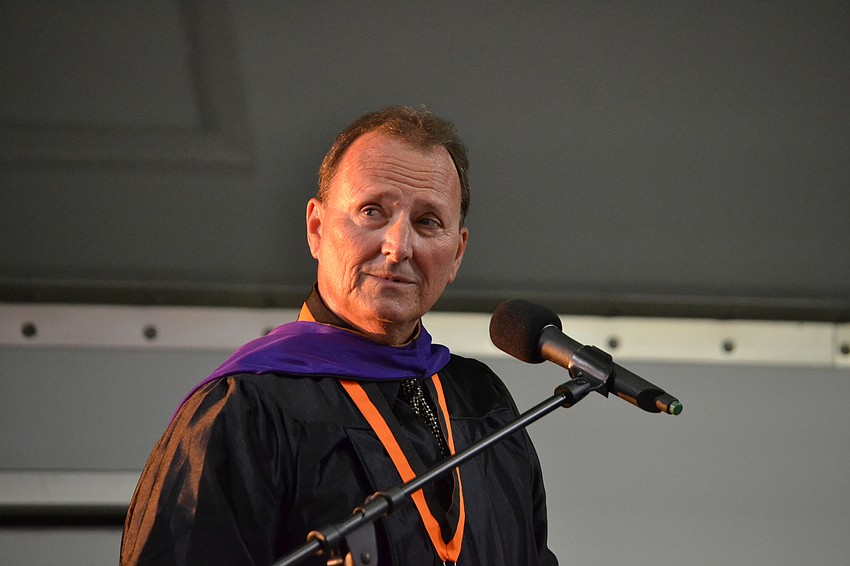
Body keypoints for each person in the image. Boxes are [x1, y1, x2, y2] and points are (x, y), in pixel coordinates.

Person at [121, 106, 559, 566]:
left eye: (427, 221)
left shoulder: (483, 405)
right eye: (372, 211)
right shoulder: (245, 410)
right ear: (316, 228)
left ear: (456, 255)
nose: (398, 246)